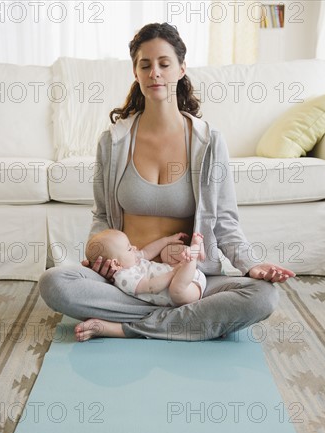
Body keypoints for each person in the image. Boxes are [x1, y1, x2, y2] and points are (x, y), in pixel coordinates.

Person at [39, 22, 295, 342]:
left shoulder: (209, 141)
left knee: (262, 296)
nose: (154, 73)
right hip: (128, 280)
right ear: (136, 72)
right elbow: (102, 216)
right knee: (54, 283)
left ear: (181, 68)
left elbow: (226, 221)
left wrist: (250, 264)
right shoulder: (114, 141)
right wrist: (101, 260)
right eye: (145, 65)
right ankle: (181, 324)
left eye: (164, 63)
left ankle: (125, 327)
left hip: (189, 283)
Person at [85, 229, 207, 307]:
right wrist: (174, 272)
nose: (134, 247)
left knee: (166, 252)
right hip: (189, 288)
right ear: (117, 264)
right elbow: (150, 286)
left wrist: (167, 240)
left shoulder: (131, 259)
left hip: (185, 273)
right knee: (176, 290)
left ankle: (193, 251)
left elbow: (147, 252)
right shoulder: (124, 277)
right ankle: (194, 253)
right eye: (128, 248)